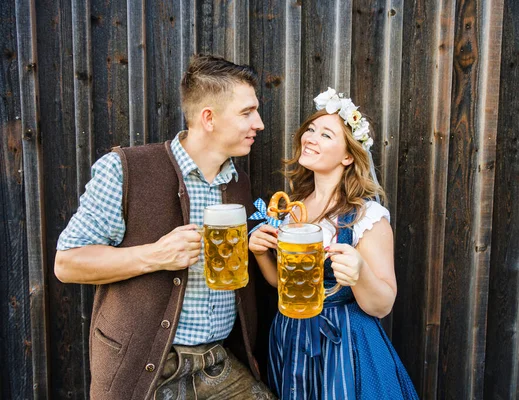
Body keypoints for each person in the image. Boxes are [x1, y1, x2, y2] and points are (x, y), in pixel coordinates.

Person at [54, 54, 276, 400]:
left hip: (218, 363)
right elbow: (67, 263)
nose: (259, 124)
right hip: (148, 367)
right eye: (247, 112)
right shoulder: (124, 169)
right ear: (209, 118)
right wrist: (156, 256)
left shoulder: (239, 184)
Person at [249, 88, 419, 399]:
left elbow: (382, 304)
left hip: (343, 343)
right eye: (310, 129)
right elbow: (281, 284)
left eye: (326, 135)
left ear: (347, 156)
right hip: (290, 337)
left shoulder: (366, 217)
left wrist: (361, 272)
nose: (310, 138)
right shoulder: (292, 210)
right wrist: (261, 254)